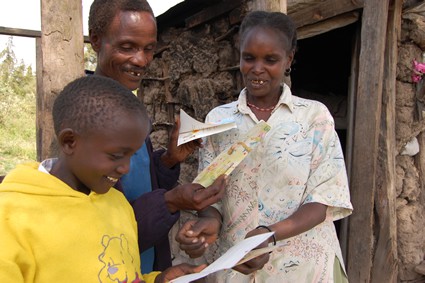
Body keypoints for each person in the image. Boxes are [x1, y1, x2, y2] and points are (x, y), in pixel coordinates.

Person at [175, 11, 353, 282]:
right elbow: (211, 196)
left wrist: (269, 233)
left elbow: (323, 201)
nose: (257, 68)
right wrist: (209, 221)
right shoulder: (219, 121)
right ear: (240, 57)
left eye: (270, 60)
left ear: (289, 59)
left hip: (305, 267)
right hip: (237, 267)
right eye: (249, 58)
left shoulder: (314, 118)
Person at [0, 75, 207, 283]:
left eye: (132, 154)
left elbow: (120, 275)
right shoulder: (11, 218)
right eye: (116, 156)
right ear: (69, 142)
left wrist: (160, 280)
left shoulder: (116, 203)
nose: (125, 168)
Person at [88, 0, 227, 273]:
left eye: (149, 49)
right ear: (96, 41)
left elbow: (137, 179)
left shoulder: (127, 105)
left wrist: (167, 161)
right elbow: (103, 225)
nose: (141, 60)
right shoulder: (87, 116)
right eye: (127, 47)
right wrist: (171, 200)